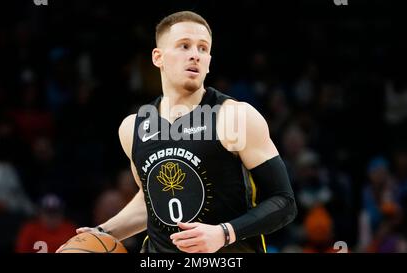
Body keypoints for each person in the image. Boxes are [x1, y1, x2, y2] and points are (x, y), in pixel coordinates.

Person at [75, 11, 297, 253]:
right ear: (158, 57)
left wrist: (224, 233)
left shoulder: (235, 116)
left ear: (209, 61)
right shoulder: (132, 127)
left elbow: (283, 202)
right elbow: (151, 200)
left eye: (203, 48)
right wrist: (103, 232)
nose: (195, 55)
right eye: (184, 46)